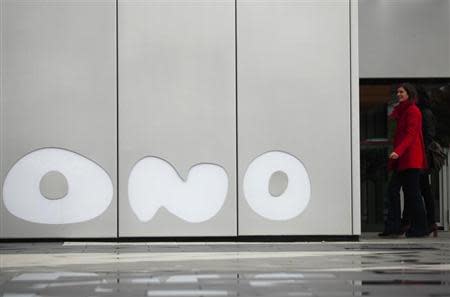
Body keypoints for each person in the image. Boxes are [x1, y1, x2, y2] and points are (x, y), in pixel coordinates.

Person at [380, 83, 428, 237]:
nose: (399, 94)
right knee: (394, 191)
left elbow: (411, 135)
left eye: (402, 92)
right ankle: (394, 227)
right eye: (398, 92)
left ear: (409, 94)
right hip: (402, 159)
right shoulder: (402, 111)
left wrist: (397, 152)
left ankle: (420, 228)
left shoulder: (413, 111)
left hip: (410, 159)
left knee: (412, 193)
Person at [401, 86, 438, 236]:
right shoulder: (420, 111)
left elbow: (427, 136)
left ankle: (420, 223)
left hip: (421, 156)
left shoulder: (420, 112)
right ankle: (422, 222)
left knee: (417, 190)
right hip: (420, 156)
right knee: (418, 189)